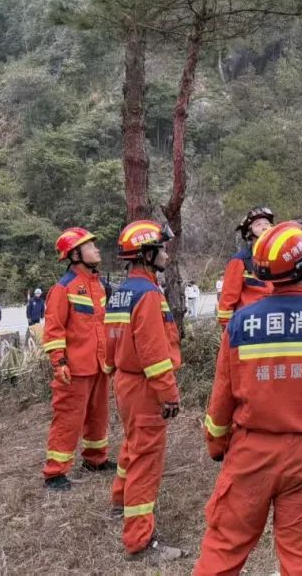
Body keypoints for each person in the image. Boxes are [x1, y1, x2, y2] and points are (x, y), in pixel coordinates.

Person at [195, 219, 302, 576]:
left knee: (225, 545)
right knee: (300, 555)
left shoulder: (242, 323)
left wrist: (216, 444)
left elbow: (222, 397)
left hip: (250, 453)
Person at [105, 220, 184, 562]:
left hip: (124, 380)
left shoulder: (122, 291)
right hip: (145, 385)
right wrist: (169, 395)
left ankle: (120, 501)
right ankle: (140, 540)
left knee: (132, 443)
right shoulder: (149, 294)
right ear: (148, 254)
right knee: (146, 459)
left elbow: (108, 344)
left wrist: (114, 372)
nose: (166, 253)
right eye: (161, 248)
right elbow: (155, 354)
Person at [42, 227, 113, 491]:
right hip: (74, 368)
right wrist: (59, 362)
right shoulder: (63, 288)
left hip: (99, 364)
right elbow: (54, 329)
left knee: (98, 414)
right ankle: (54, 472)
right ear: (74, 254)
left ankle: (95, 459)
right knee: (68, 418)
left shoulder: (98, 285)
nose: (96, 249)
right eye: (90, 246)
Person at [217, 206, 275, 329]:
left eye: (267, 223)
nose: (264, 227)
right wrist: (229, 333)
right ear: (249, 231)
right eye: (258, 224)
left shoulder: (279, 259)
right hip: (249, 327)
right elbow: (226, 302)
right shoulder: (240, 261)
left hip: (274, 325)